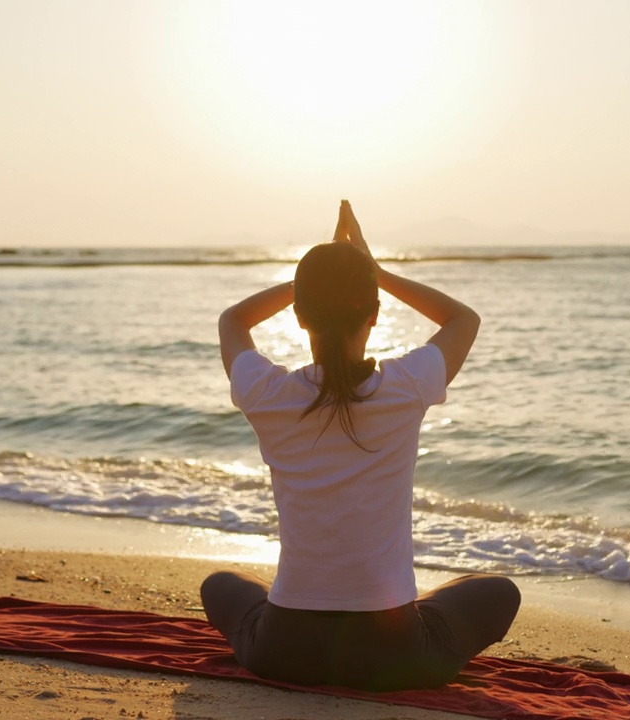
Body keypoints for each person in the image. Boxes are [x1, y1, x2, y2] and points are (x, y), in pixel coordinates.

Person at [201, 201, 520, 691]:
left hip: (283, 650)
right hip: (393, 655)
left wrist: (314, 281)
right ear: (374, 314)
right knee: (498, 592)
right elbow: (462, 318)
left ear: (301, 317)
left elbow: (233, 320)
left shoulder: (267, 393)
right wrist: (374, 272)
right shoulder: (406, 386)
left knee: (219, 586)